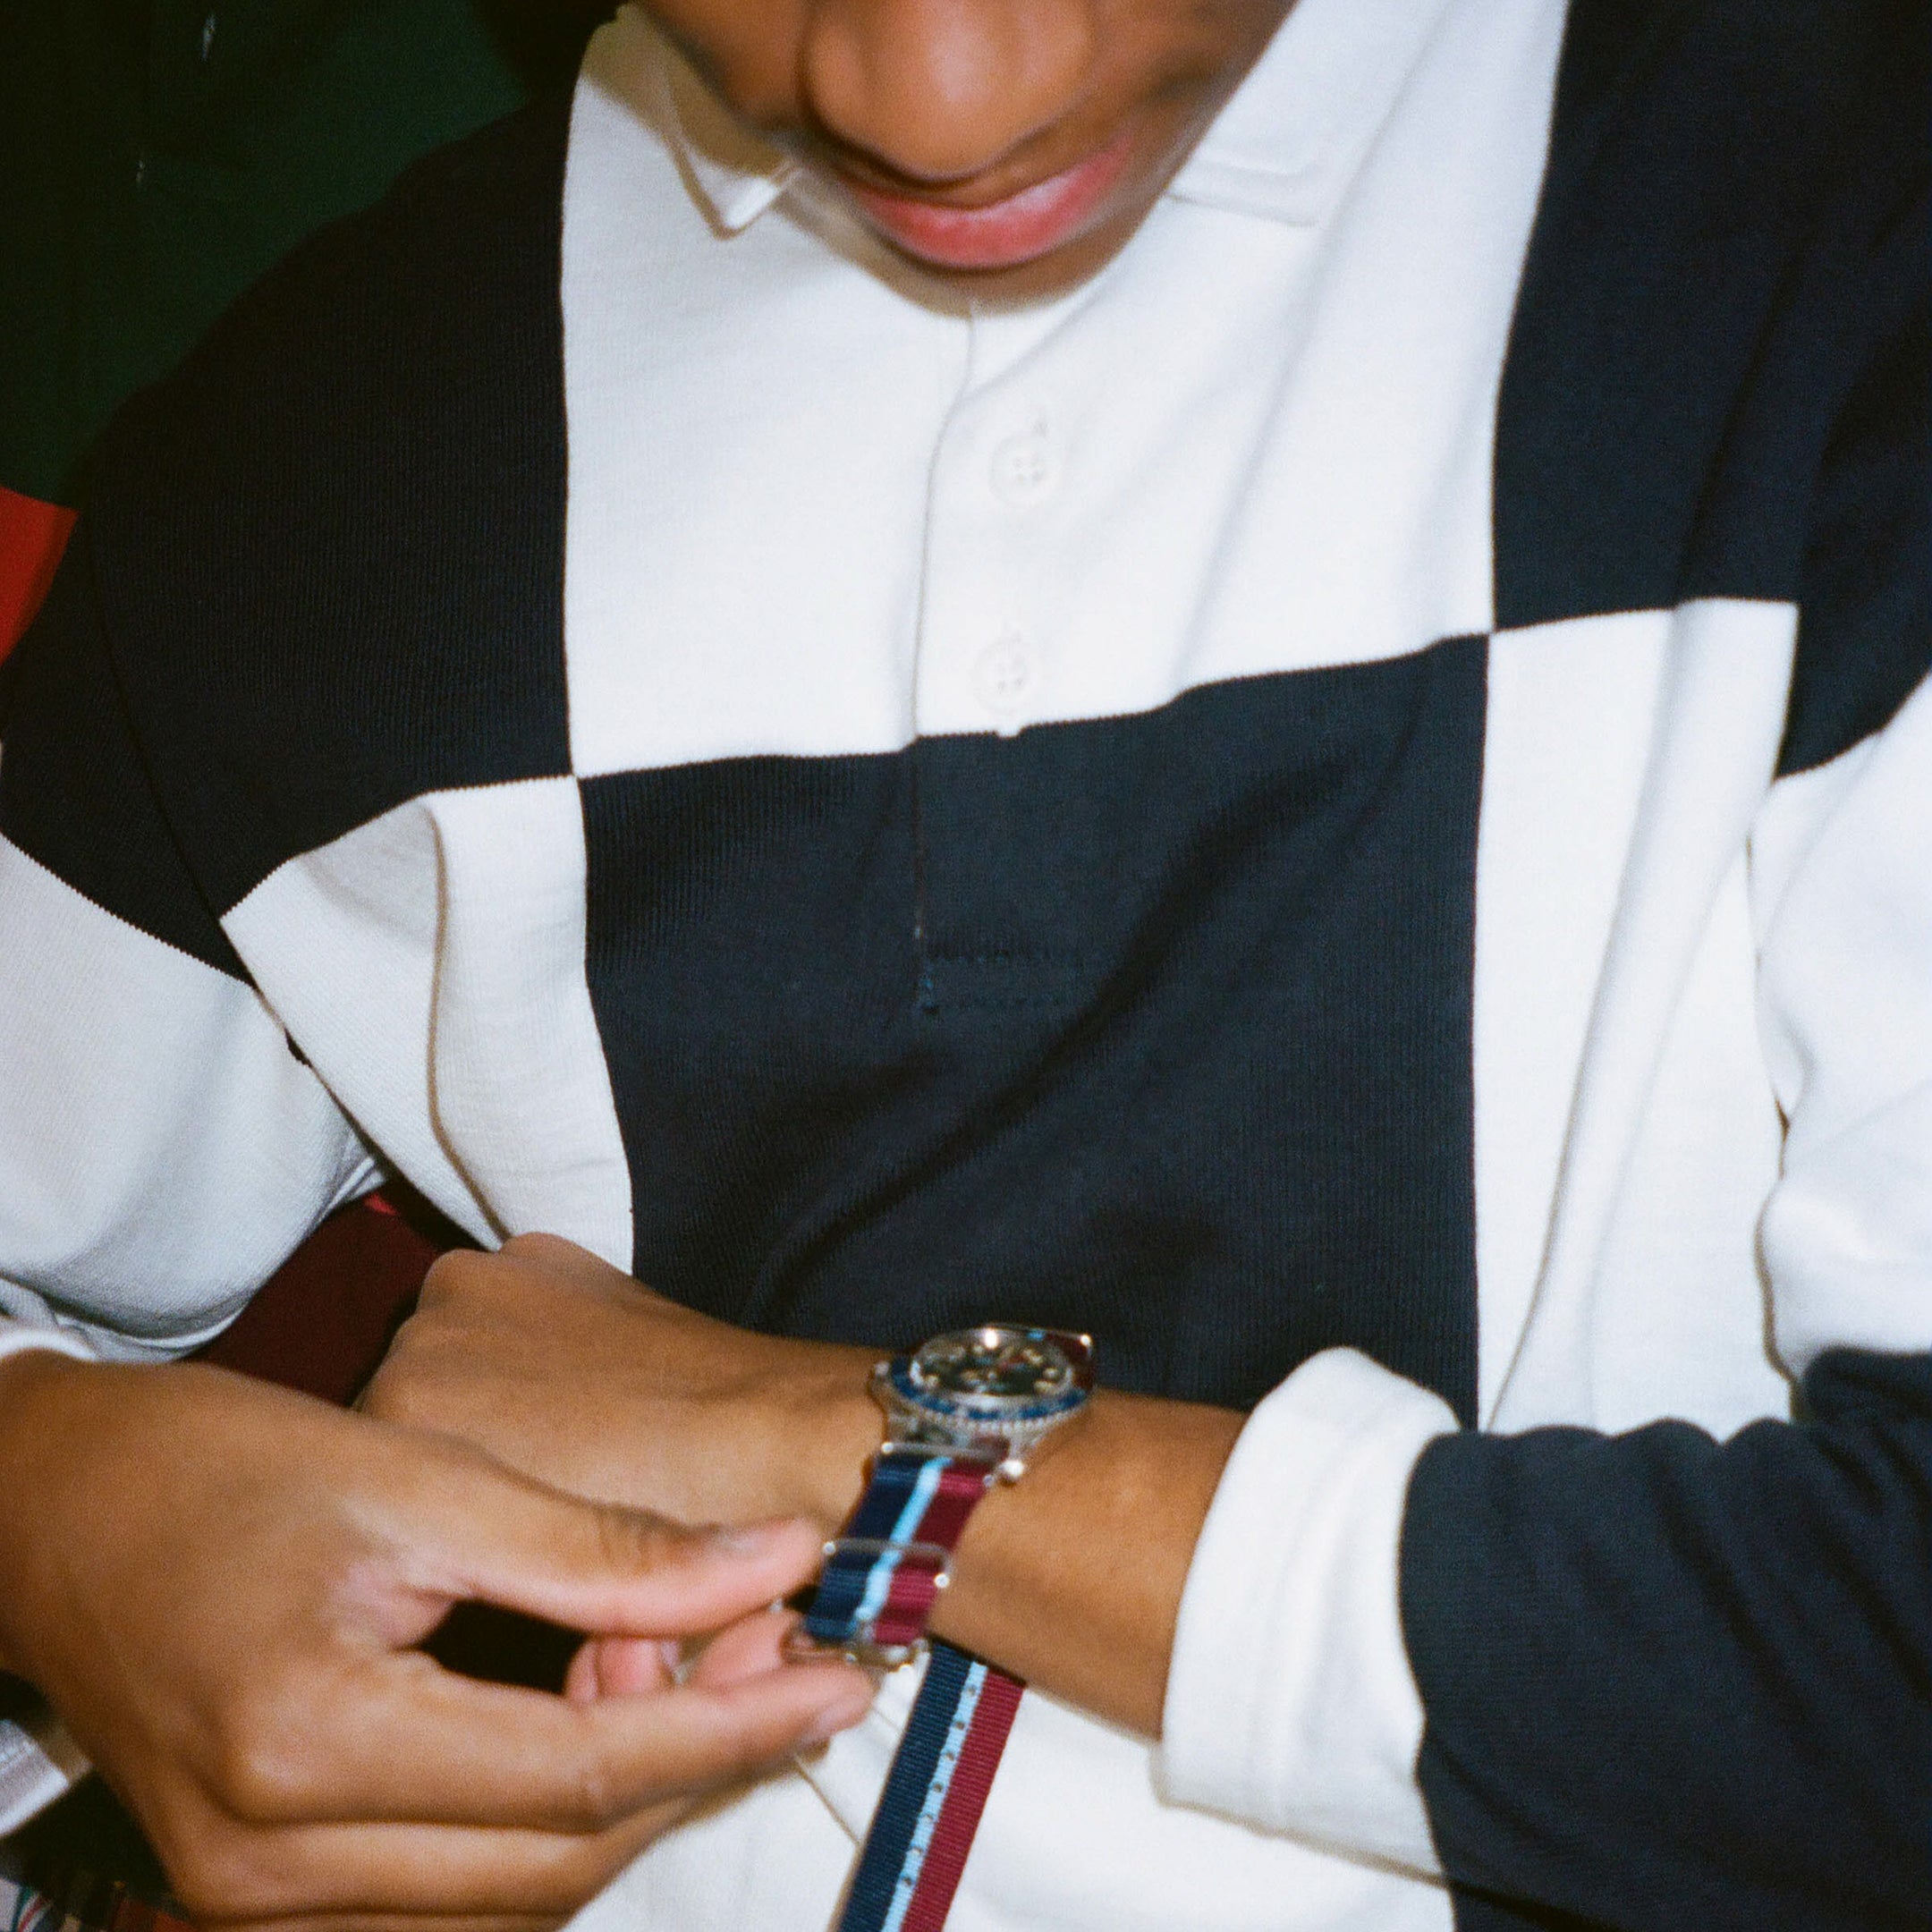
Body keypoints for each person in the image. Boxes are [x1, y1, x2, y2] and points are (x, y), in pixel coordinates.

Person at [0, 2, 1926, 1929]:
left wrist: (835, 1442)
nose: (933, 103)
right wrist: (56, 1508)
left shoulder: (1848, 212)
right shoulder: (322, 445)